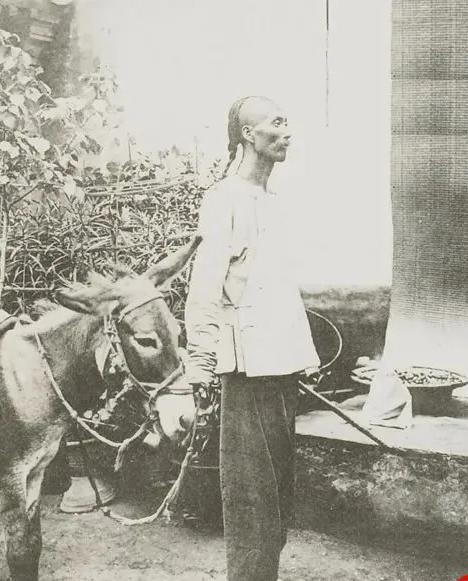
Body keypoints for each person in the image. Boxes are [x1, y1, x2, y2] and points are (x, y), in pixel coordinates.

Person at [184, 96, 321, 581]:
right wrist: (201, 361)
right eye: (276, 123)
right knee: (251, 502)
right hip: (247, 370)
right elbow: (205, 287)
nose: (287, 133)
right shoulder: (224, 199)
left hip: (281, 367)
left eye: (287, 123)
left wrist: (304, 355)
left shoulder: (273, 202)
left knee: (278, 497)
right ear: (248, 134)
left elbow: (278, 288)